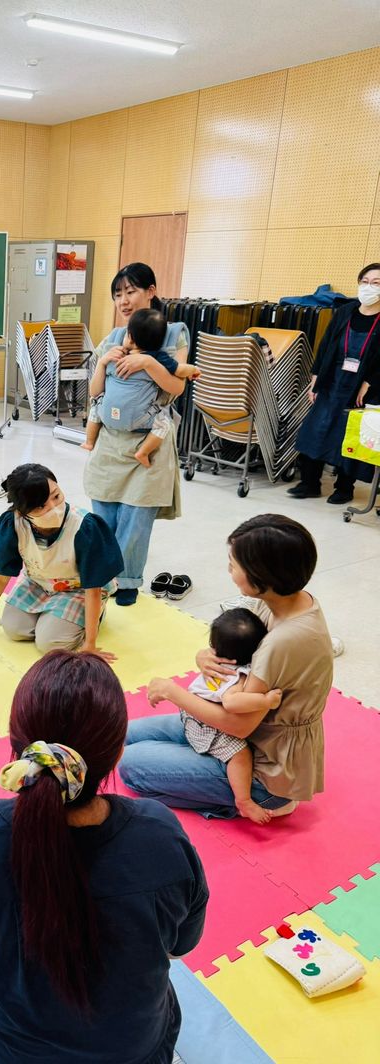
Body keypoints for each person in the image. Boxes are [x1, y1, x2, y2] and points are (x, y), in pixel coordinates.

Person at [0, 650, 209, 1063]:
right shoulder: (162, 835)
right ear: (117, 755)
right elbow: (175, 950)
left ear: (17, 747)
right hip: (139, 1055)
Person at [120, 514, 333, 820]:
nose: (229, 570)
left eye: (234, 565)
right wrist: (204, 656)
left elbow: (239, 725)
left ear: (262, 576)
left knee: (131, 767)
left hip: (261, 764)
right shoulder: (284, 601)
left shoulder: (284, 641)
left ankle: (263, 799)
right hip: (233, 732)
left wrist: (172, 691)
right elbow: (235, 648)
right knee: (123, 737)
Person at [84, 264, 190, 607]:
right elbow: (95, 391)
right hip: (112, 440)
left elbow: (176, 387)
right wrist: (103, 363)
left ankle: (128, 581)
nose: (124, 301)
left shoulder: (173, 334)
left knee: (136, 517)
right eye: (118, 295)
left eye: (130, 292)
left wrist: (147, 363)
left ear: (151, 291)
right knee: (104, 514)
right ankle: (102, 578)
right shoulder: (115, 338)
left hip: (149, 441)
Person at [0, 463, 122, 659]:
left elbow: (93, 588)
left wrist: (89, 644)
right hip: (38, 581)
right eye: (41, 506)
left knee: (50, 644)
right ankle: (55, 618)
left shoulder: (84, 526)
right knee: (14, 629)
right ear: (22, 511)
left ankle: (94, 615)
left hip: (78, 588)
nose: (54, 508)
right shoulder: (13, 523)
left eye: (56, 496)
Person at [178, 609, 283, 825]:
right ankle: (244, 801)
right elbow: (231, 702)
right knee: (241, 754)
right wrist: (266, 701)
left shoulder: (214, 658)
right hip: (201, 723)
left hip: (193, 712)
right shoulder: (237, 674)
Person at [288, 262, 380, 504]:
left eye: (376, 283)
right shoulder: (345, 311)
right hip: (332, 379)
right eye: (365, 282)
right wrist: (315, 379)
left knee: (348, 436)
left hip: (360, 386)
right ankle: (309, 483)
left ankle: (344, 488)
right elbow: (325, 345)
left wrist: (369, 383)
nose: (369, 287)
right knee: (315, 430)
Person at [84, 308, 200, 466]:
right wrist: (193, 370)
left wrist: (103, 361)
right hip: (142, 420)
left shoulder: (114, 353)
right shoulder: (160, 357)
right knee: (164, 423)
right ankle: (143, 452)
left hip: (107, 416)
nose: (123, 301)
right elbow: (180, 370)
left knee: (95, 407)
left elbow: (94, 392)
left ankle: (89, 441)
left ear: (130, 338)